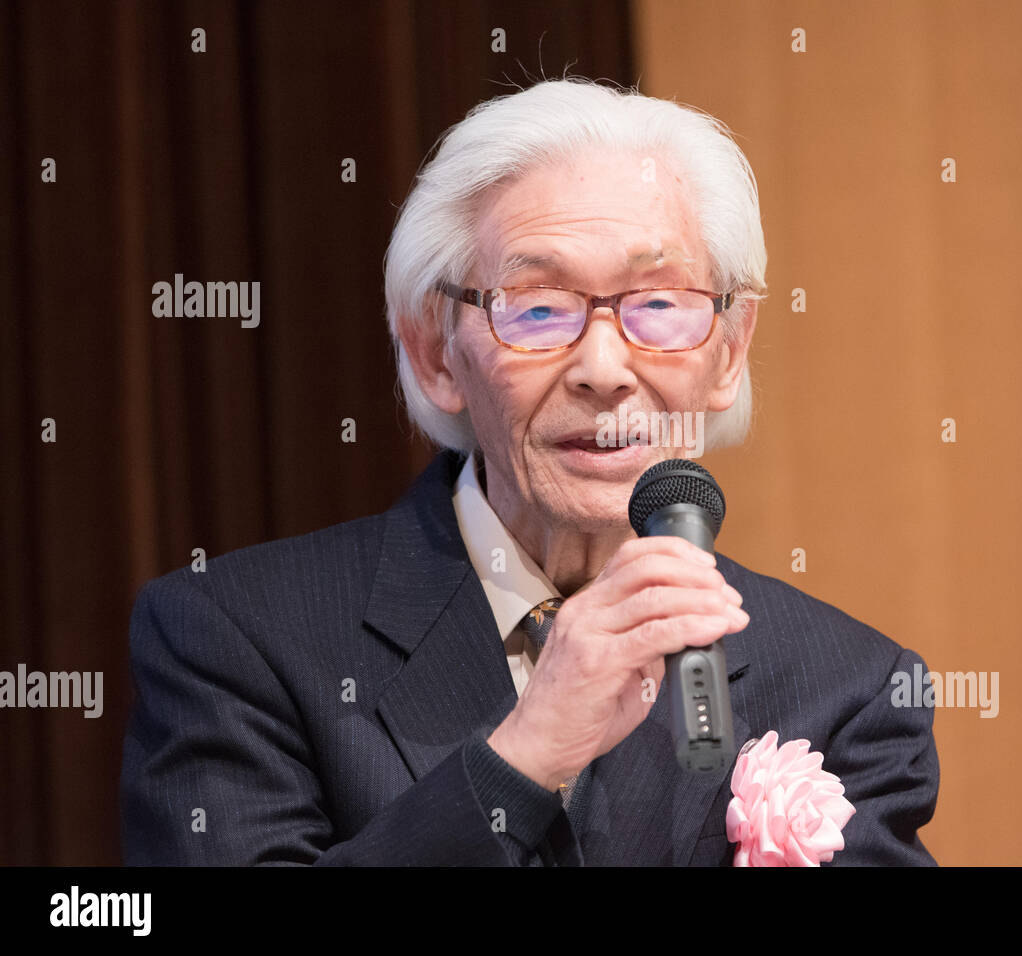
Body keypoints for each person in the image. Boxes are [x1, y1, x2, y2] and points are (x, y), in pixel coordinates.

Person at [121, 77, 939, 866]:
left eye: (658, 304)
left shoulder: (848, 687)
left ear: (728, 350)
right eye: (539, 307)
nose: (604, 368)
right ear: (434, 350)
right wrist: (522, 757)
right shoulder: (239, 639)